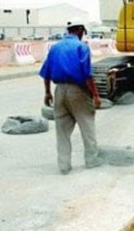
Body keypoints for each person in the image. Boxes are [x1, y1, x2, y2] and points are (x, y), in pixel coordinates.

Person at [39, 20, 103, 174]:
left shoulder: (55, 48)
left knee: (62, 131)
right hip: (78, 91)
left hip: (59, 91)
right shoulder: (81, 47)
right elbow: (87, 75)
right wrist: (95, 95)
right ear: (80, 30)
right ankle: (92, 160)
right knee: (87, 126)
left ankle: (64, 165)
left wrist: (47, 92)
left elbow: (46, 72)